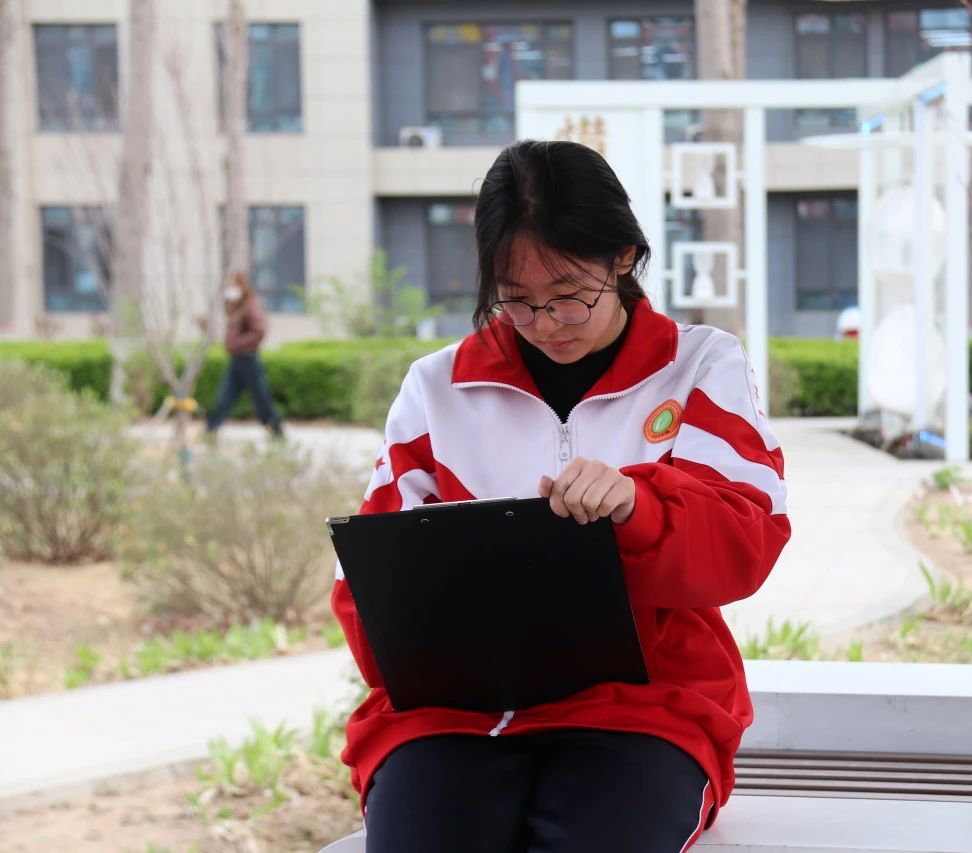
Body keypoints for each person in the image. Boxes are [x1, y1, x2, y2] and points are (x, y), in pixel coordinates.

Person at [332, 140, 790, 852]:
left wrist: (637, 507)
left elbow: (746, 540)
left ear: (623, 258)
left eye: (571, 294)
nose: (547, 322)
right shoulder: (436, 388)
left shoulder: (700, 365)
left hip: (646, 708)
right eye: (517, 299)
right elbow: (368, 578)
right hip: (454, 713)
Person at [205, 271, 284, 439]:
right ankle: (211, 430)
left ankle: (276, 430)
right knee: (225, 397)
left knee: (261, 398)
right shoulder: (236, 306)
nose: (230, 289)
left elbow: (259, 330)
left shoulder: (250, 305)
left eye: (233, 285)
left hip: (248, 359)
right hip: (237, 359)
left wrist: (238, 344)